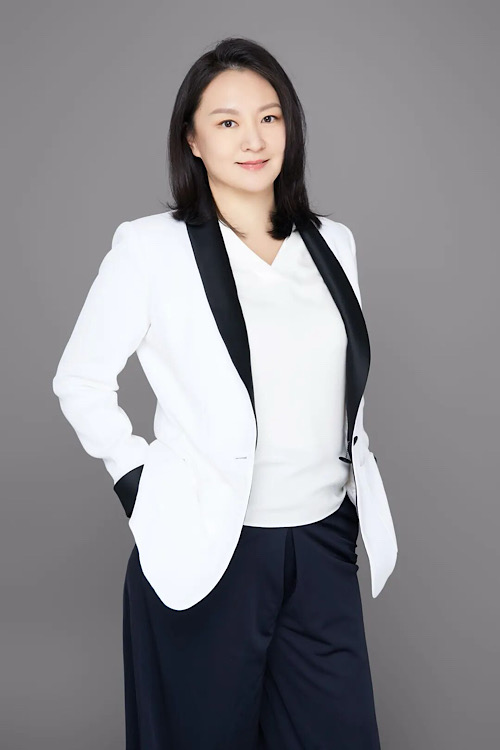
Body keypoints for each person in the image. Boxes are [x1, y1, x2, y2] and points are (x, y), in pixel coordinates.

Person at [52, 36, 398, 750]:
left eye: (269, 118)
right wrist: (141, 487)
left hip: (322, 542)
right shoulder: (150, 249)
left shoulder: (333, 242)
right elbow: (80, 380)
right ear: (193, 139)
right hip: (208, 545)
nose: (254, 140)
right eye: (228, 121)